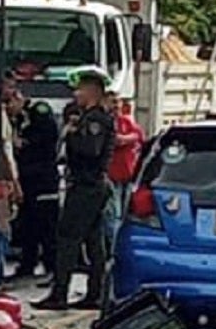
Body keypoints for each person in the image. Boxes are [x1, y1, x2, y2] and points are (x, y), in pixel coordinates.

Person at [34, 66, 116, 311]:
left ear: (92, 91)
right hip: (92, 186)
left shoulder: (95, 120)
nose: (75, 94)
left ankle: (60, 294)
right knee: (93, 242)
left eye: (79, 89)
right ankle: (95, 293)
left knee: (68, 239)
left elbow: (91, 150)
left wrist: (71, 135)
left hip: (86, 186)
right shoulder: (90, 117)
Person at [11, 88, 60, 283]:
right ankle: (27, 263)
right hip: (28, 179)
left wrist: (25, 143)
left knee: (47, 225)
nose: (9, 108)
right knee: (28, 224)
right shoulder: (20, 118)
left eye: (10, 103)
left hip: (43, 178)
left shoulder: (38, 111)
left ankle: (52, 265)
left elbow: (47, 138)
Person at [105, 91, 144, 247]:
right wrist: (127, 139)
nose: (115, 105)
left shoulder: (127, 122)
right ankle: (114, 247)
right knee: (113, 215)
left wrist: (126, 139)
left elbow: (139, 136)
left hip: (128, 176)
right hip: (110, 177)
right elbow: (115, 141)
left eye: (117, 102)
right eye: (111, 102)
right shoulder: (105, 122)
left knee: (126, 215)